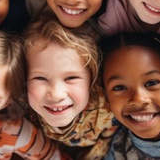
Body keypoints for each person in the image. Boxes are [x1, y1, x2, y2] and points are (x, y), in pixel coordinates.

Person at [23, 14, 117, 159]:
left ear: (92, 80)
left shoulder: (109, 110)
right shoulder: (22, 114)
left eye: (71, 78)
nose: (56, 94)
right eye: (40, 78)